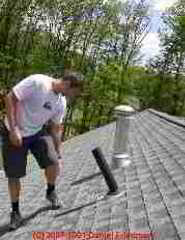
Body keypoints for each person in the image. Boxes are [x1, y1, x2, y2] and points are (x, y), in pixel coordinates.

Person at [0, 72, 83, 230]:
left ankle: (50, 192)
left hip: (37, 133)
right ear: (68, 84)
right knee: (14, 174)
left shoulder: (61, 102)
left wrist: (58, 155)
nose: (73, 96)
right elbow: (10, 98)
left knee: (52, 162)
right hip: (14, 131)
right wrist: (14, 129)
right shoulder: (38, 82)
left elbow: (55, 128)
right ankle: (15, 211)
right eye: (74, 92)